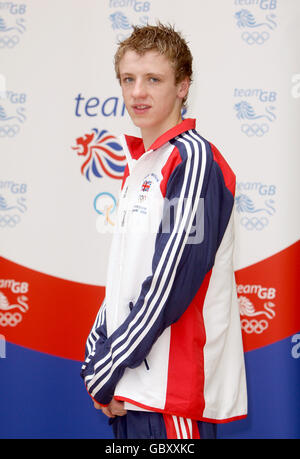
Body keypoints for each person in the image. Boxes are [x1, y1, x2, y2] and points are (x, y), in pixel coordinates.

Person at [81, 23, 247, 440]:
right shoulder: (140, 166)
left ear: (183, 87)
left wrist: (106, 367)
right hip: (128, 395)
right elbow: (123, 284)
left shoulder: (192, 161)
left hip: (171, 399)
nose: (138, 92)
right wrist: (95, 362)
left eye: (153, 79)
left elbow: (170, 282)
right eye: (129, 80)